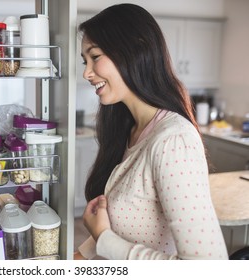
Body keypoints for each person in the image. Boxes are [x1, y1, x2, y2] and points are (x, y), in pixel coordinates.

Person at [74, 3, 228, 260]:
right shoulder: (131, 130)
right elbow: (130, 218)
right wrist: (81, 254)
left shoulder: (174, 141)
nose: (86, 72)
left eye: (95, 56)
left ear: (135, 49)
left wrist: (104, 240)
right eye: (85, 61)